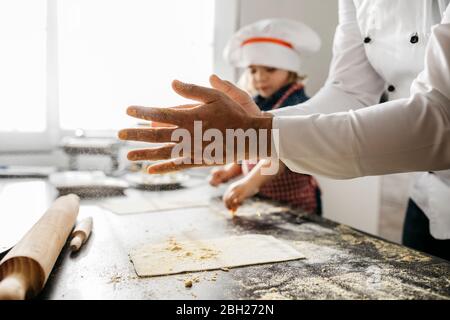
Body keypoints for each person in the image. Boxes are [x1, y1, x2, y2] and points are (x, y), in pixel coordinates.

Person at [119, 0, 450, 260]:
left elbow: (442, 115)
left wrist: (257, 134)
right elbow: (349, 93)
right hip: (427, 194)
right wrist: (255, 127)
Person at [209, 19, 322, 214]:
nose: (260, 77)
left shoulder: (298, 103)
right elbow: (249, 146)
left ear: (290, 69)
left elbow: (279, 156)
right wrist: (230, 171)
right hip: (264, 199)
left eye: (270, 69)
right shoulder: (257, 102)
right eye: (253, 70)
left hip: (295, 205)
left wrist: (250, 182)